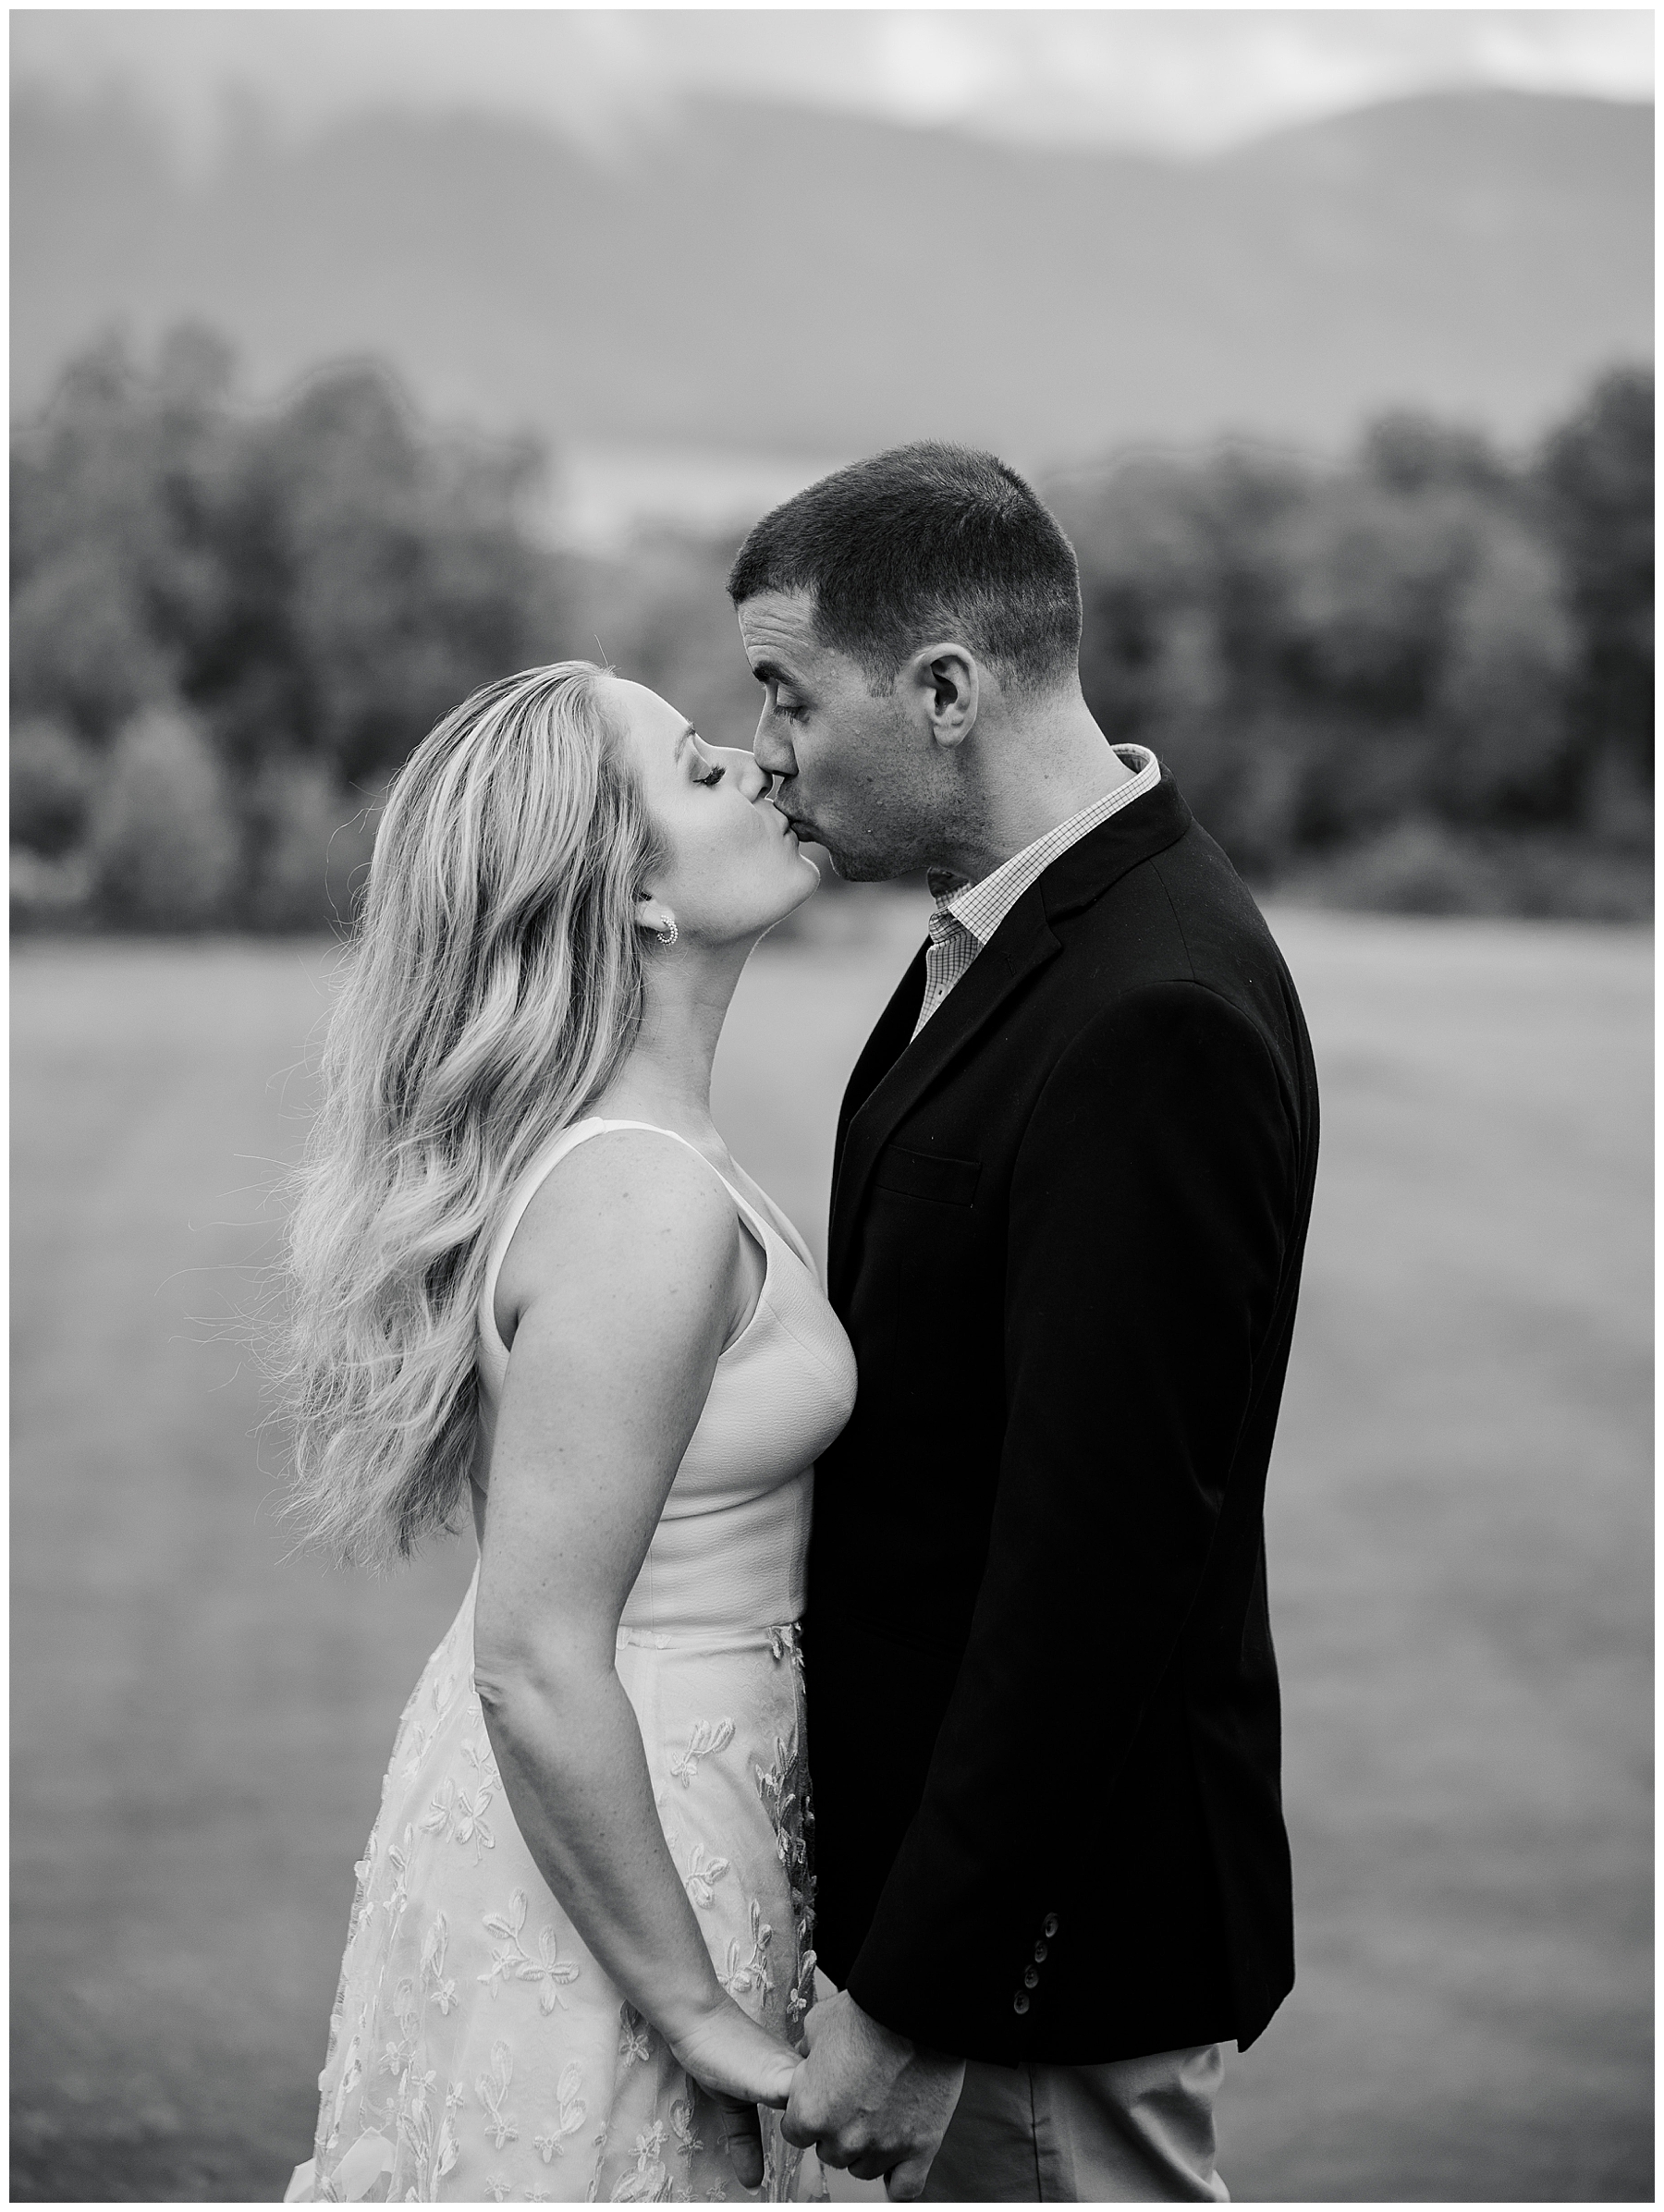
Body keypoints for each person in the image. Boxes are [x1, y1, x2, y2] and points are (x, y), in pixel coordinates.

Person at [727, 444, 1320, 2202]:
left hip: (1052, 1967)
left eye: (786, 692)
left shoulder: (1158, 1007)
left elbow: (1102, 1566)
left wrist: (923, 1992)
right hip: (953, 1917)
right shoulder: (991, 940)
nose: (764, 747)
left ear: (945, 689)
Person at [277, 661, 856, 2205]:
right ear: (631, 892)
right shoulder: (637, 1201)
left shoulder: (662, 1154)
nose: (751, 763)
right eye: (693, 763)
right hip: (621, 1835)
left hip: (672, 1808)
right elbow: (534, 1656)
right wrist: (695, 2015)